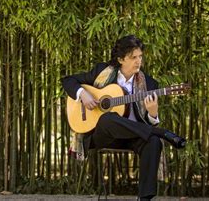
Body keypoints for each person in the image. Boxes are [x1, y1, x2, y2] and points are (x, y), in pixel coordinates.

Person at [61, 35, 186, 200]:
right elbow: (68, 80)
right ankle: (162, 132)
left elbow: (148, 118)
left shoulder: (149, 83)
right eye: (133, 57)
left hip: (133, 136)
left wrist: (153, 113)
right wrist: (83, 93)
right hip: (103, 135)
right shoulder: (102, 72)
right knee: (107, 118)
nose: (138, 61)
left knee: (153, 141)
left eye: (140, 56)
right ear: (120, 59)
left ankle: (145, 198)